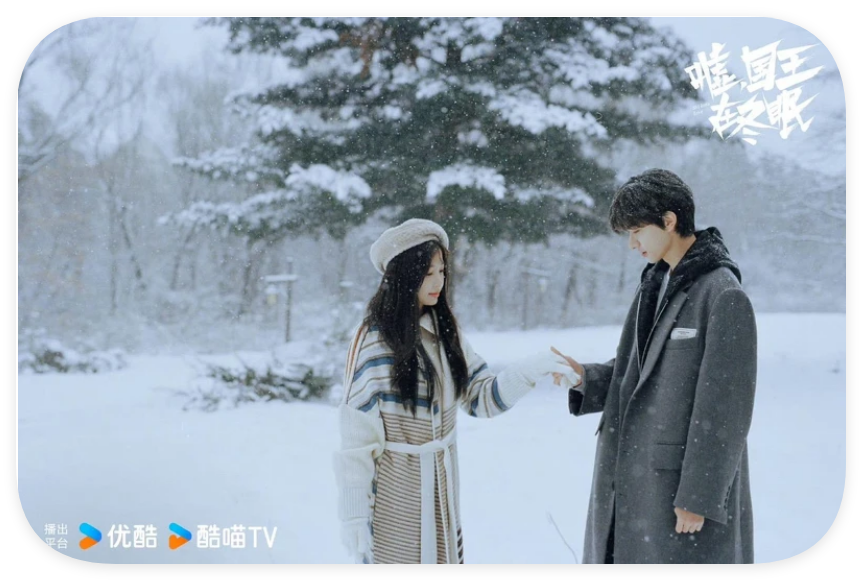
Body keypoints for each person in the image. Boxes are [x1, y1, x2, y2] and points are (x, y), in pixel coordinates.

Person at [333, 218, 572, 564]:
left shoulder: (445, 332)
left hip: (442, 492)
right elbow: (357, 441)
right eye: (427, 273)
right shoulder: (373, 340)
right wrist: (353, 514)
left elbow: (482, 399)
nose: (438, 282)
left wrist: (532, 367)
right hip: (395, 497)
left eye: (442, 271)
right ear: (404, 276)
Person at [551, 169, 757, 564]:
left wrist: (700, 495)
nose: (632, 244)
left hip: (679, 494)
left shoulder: (722, 293)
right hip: (631, 480)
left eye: (637, 231)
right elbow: (640, 370)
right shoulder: (655, 281)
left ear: (669, 220)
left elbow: (727, 407)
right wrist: (586, 377)